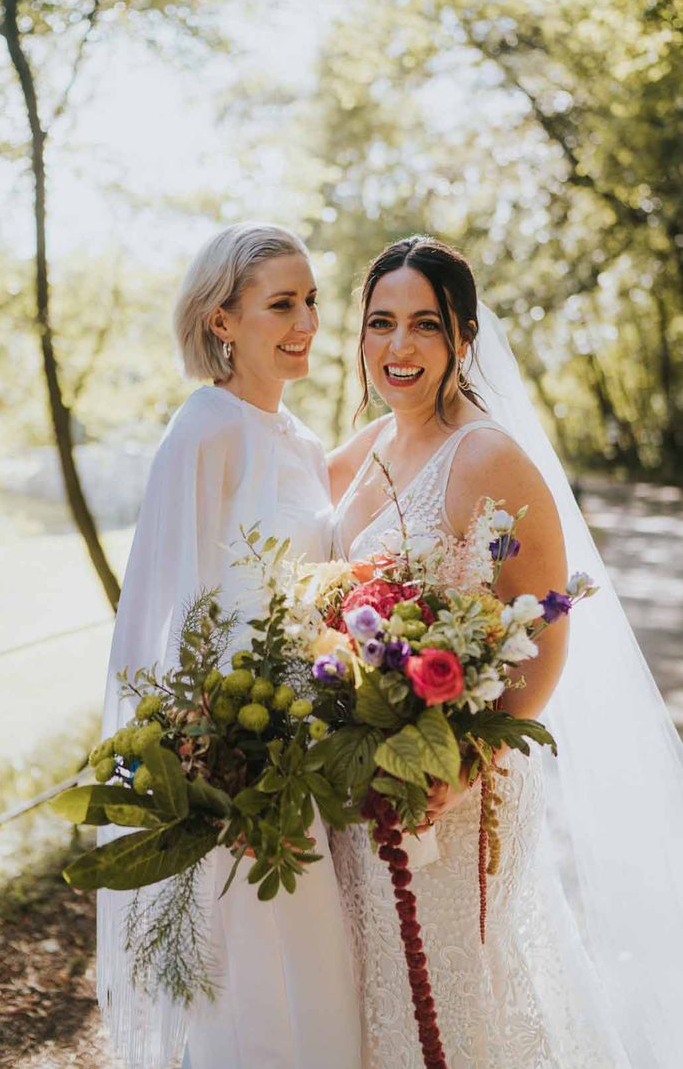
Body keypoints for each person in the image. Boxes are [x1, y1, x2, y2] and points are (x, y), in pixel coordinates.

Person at [328, 236, 683, 1068]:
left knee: (452, 1000)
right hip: (362, 776)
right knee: (371, 996)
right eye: (381, 324)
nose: (399, 347)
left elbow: (543, 639)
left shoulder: (488, 456)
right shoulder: (364, 451)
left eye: (425, 324)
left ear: (463, 336)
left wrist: (462, 767)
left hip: (456, 791)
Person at [97, 223, 361, 1069]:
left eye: (312, 301)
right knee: (254, 994)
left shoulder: (304, 442)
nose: (306, 322)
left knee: (324, 982)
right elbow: (155, 621)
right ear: (221, 320)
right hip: (239, 765)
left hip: (311, 754)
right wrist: (202, 766)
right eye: (281, 304)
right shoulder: (203, 430)